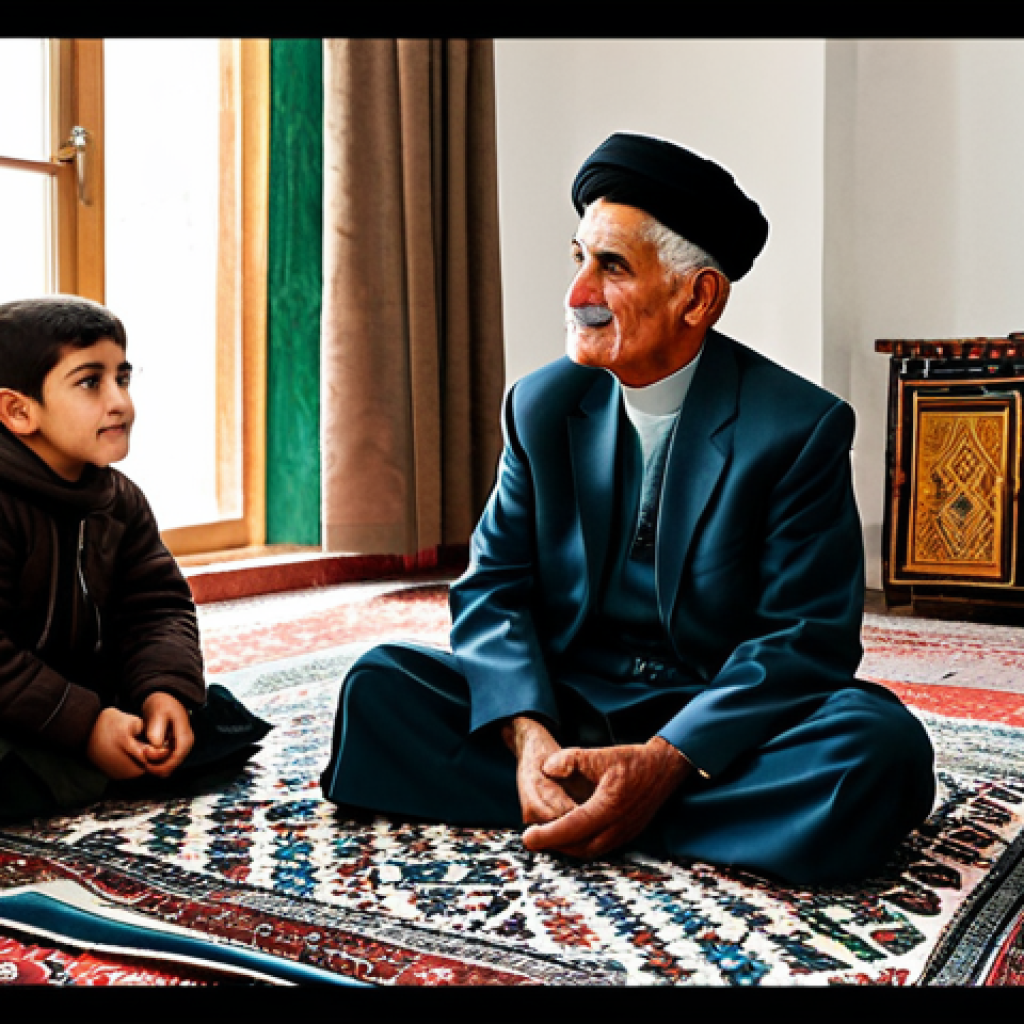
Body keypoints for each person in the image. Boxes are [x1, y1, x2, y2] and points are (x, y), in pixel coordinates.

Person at [320, 131, 935, 884]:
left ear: (697, 296)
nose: (578, 294)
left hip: (715, 720)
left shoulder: (799, 427)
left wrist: (665, 762)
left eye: (610, 267)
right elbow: (493, 587)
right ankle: (615, 802)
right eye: (578, 258)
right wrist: (528, 736)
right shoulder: (543, 405)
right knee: (378, 688)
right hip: (570, 701)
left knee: (877, 754)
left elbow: (804, 639)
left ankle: (617, 802)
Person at [0, 295, 269, 821]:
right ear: (18, 410)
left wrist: (162, 693)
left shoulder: (120, 500)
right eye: (90, 382)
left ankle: (94, 762)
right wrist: (85, 725)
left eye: (122, 379)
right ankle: (81, 764)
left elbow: (158, 607)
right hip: (18, 705)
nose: (121, 403)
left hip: (79, 692)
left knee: (212, 725)